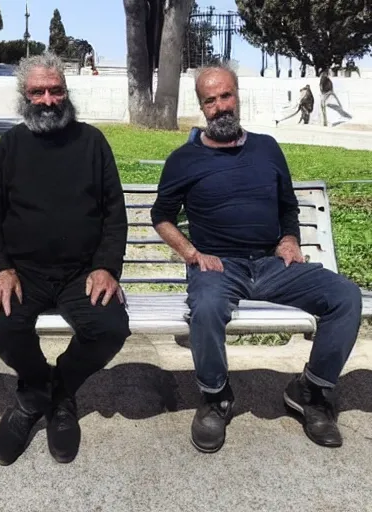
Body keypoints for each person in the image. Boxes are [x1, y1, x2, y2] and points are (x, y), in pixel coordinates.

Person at [151, 64, 362, 454]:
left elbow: (287, 206)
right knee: (208, 306)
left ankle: (311, 392)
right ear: (202, 107)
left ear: (237, 96)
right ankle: (215, 397)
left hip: (271, 264)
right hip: (219, 266)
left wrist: (289, 239)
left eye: (225, 96)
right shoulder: (184, 159)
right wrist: (193, 254)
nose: (219, 107)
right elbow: (160, 216)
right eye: (209, 101)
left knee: (346, 297)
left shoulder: (267, 147)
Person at [0, 52, 131, 466]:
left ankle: (60, 388)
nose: (47, 100)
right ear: (24, 95)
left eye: (55, 90)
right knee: (1, 323)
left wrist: (105, 267)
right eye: (37, 91)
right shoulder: (11, 145)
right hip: (22, 273)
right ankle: (37, 392)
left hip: (81, 273)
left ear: (67, 92)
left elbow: (114, 212)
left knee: (111, 327)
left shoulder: (92, 142)